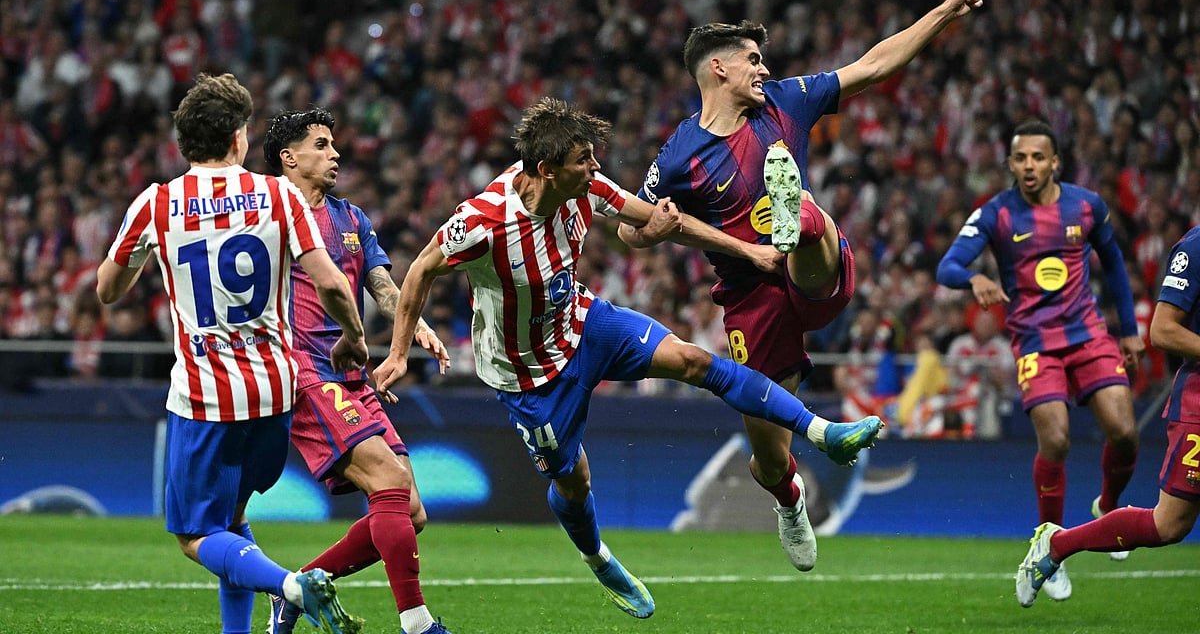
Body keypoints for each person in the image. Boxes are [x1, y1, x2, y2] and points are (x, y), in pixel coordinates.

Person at [370, 97, 883, 619]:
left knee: (693, 361)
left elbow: (662, 221)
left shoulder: (587, 188)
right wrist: (397, 352)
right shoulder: (484, 221)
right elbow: (419, 272)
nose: (595, 168)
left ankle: (822, 432)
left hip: (585, 324)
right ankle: (599, 558)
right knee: (573, 480)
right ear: (547, 170)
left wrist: (745, 250)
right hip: (529, 377)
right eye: (583, 161)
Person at [619, 0, 987, 571]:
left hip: (814, 271)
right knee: (767, 452)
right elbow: (628, 228)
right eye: (754, 60)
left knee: (808, 219)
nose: (765, 69)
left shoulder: (788, 101)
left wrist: (945, 11)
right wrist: (652, 231)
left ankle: (800, 223)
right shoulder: (678, 155)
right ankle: (788, 498)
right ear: (718, 68)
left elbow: (874, 64)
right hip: (749, 296)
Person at [95, 74, 366, 634]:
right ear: (240, 138)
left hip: (203, 399)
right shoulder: (280, 195)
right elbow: (334, 284)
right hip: (274, 394)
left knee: (196, 536)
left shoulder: (156, 204)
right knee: (231, 519)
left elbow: (107, 290)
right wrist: (355, 337)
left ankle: (291, 586)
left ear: (183, 143)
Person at [261, 108, 453, 634]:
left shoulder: (351, 219)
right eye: (321, 145)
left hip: (353, 375)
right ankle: (417, 623)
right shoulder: (267, 212)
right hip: (305, 370)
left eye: (333, 145)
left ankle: (296, 588)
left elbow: (384, 287)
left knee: (411, 512)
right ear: (288, 158)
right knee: (388, 481)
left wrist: (414, 327)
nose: (335, 154)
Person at [937, 119, 1144, 602]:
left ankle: (1108, 506)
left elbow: (1113, 263)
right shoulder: (996, 214)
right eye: (1020, 158)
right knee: (1055, 437)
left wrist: (1130, 333)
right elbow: (948, 264)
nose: (1029, 166)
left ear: (1055, 162)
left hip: (1089, 333)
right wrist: (973, 280)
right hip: (1034, 339)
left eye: (1038, 157)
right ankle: (1048, 545)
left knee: (1126, 433)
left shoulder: (1087, 205)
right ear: (1010, 164)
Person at [1016, 223, 1200, 607]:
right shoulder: (1196, 247)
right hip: (1198, 405)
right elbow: (1163, 331)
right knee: (1169, 524)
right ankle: (1056, 544)